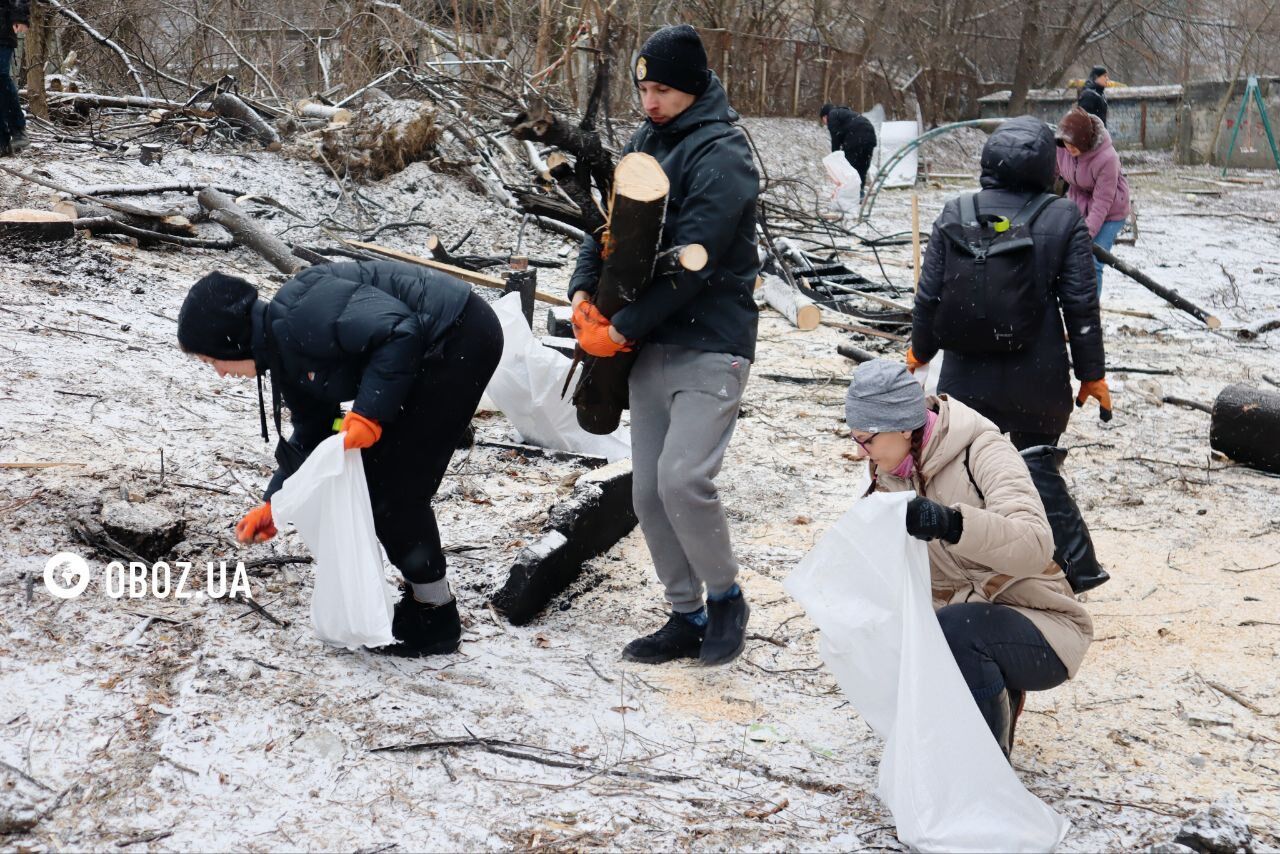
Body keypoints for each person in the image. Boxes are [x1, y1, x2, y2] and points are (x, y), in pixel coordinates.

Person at [176, 262, 503, 658]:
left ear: (229, 342)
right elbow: (312, 432)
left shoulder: (301, 314)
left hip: (459, 334)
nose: (220, 374)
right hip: (435, 344)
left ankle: (435, 618)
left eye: (212, 361)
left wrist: (370, 412)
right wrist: (274, 503)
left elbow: (400, 331)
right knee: (381, 484)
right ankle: (427, 605)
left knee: (393, 490)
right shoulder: (283, 353)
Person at [569, 24, 760, 667]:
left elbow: (694, 263)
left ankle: (727, 598)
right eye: (645, 88)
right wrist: (581, 294)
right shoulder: (644, 142)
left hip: (712, 341)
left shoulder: (723, 153)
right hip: (649, 344)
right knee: (647, 491)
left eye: (664, 90)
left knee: (684, 480)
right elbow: (606, 229)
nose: (651, 102)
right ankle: (685, 614)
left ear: (695, 86)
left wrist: (623, 326)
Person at [844, 359, 1093, 758]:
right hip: (960, 618)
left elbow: (1034, 545)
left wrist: (952, 524)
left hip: (1042, 624)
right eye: (855, 437)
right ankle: (980, 711)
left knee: (957, 631)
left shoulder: (982, 449)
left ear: (905, 426)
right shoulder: (887, 474)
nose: (860, 451)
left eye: (867, 439)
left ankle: (986, 772)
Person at [908, 115, 1109, 450]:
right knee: (1036, 479)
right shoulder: (1064, 216)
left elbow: (929, 295)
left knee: (968, 481)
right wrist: (1092, 373)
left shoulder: (955, 211)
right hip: (1038, 382)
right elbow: (1081, 305)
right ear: (1049, 165)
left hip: (964, 384)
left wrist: (921, 349)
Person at [1056, 106, 1131, 294]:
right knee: (1072, 258)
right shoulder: (1062, 148)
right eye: (1066, 143)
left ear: (1084, 140)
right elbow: (1052, 176)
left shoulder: (1107, 159)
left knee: (1094, 261)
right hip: (1079, 202)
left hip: (1111, 211)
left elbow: (1102, 202)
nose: (1069, 148)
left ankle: (1090, 312)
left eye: (1073, 144)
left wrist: (1087, 233)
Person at [820, 103, 878, 198]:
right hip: (870, 136)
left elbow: (836, 136)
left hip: (856, 137)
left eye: (823, 120)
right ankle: (859, 193)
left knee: (850, 167)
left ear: (825, 116)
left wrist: (835, 155)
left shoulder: (832, 114)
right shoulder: (847, 114)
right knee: (862, 166)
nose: (825, 123)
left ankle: (851, 195)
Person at [0, 0, 30, 156]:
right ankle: (2, 142)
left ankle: (18, 130)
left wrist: (20, 16)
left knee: (1, 76)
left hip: (3, 27)